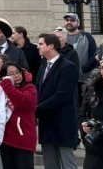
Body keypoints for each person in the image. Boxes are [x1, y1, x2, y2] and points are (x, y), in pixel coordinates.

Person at [35, 33, 79, 169]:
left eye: (41, 44)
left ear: (51, 46)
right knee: (50, 163)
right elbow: (39, 90)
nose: (38, 46)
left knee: (67, 162)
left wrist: (38, 109)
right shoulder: (44, 65)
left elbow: (62, 95)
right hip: (46, 122)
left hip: (62, 121)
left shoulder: (68, 66)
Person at [0, 63, 37, 169]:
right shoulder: (1, 89)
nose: (16, 75)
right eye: (11, 73)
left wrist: (7, 86)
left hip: (23, 140)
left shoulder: (30, 88)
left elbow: (25, 102)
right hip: (5, 139)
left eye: (18, 72)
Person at [63, 12, 98, 83]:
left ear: (78, 23)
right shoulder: (61, 38)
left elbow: (94, 55)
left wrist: (84, 69)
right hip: (65, 79)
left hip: (83, 79)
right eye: (67, 20)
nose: (69, 22)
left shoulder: (87, 37)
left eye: (72, 20)